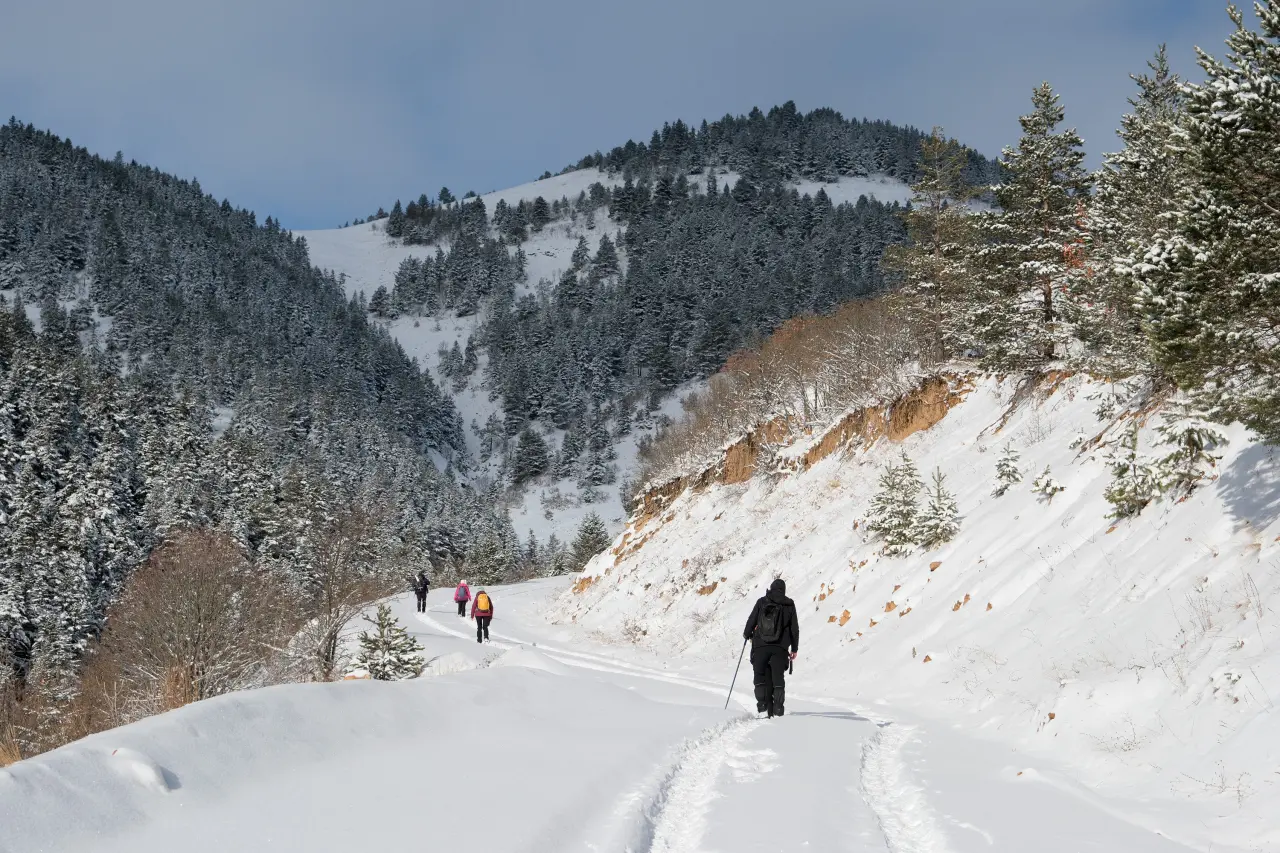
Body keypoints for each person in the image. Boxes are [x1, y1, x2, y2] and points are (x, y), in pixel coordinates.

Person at [742, 578, 799, 718]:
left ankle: (763, 708)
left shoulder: (762, 601)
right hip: (780, 648)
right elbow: (794, 629)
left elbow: (752, 619)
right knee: (778, 678)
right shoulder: (789, 604)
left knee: (760, 675)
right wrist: (794, 648)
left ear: (771, 588)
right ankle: (778, 710)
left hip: (760, 646)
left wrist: (746, 633)